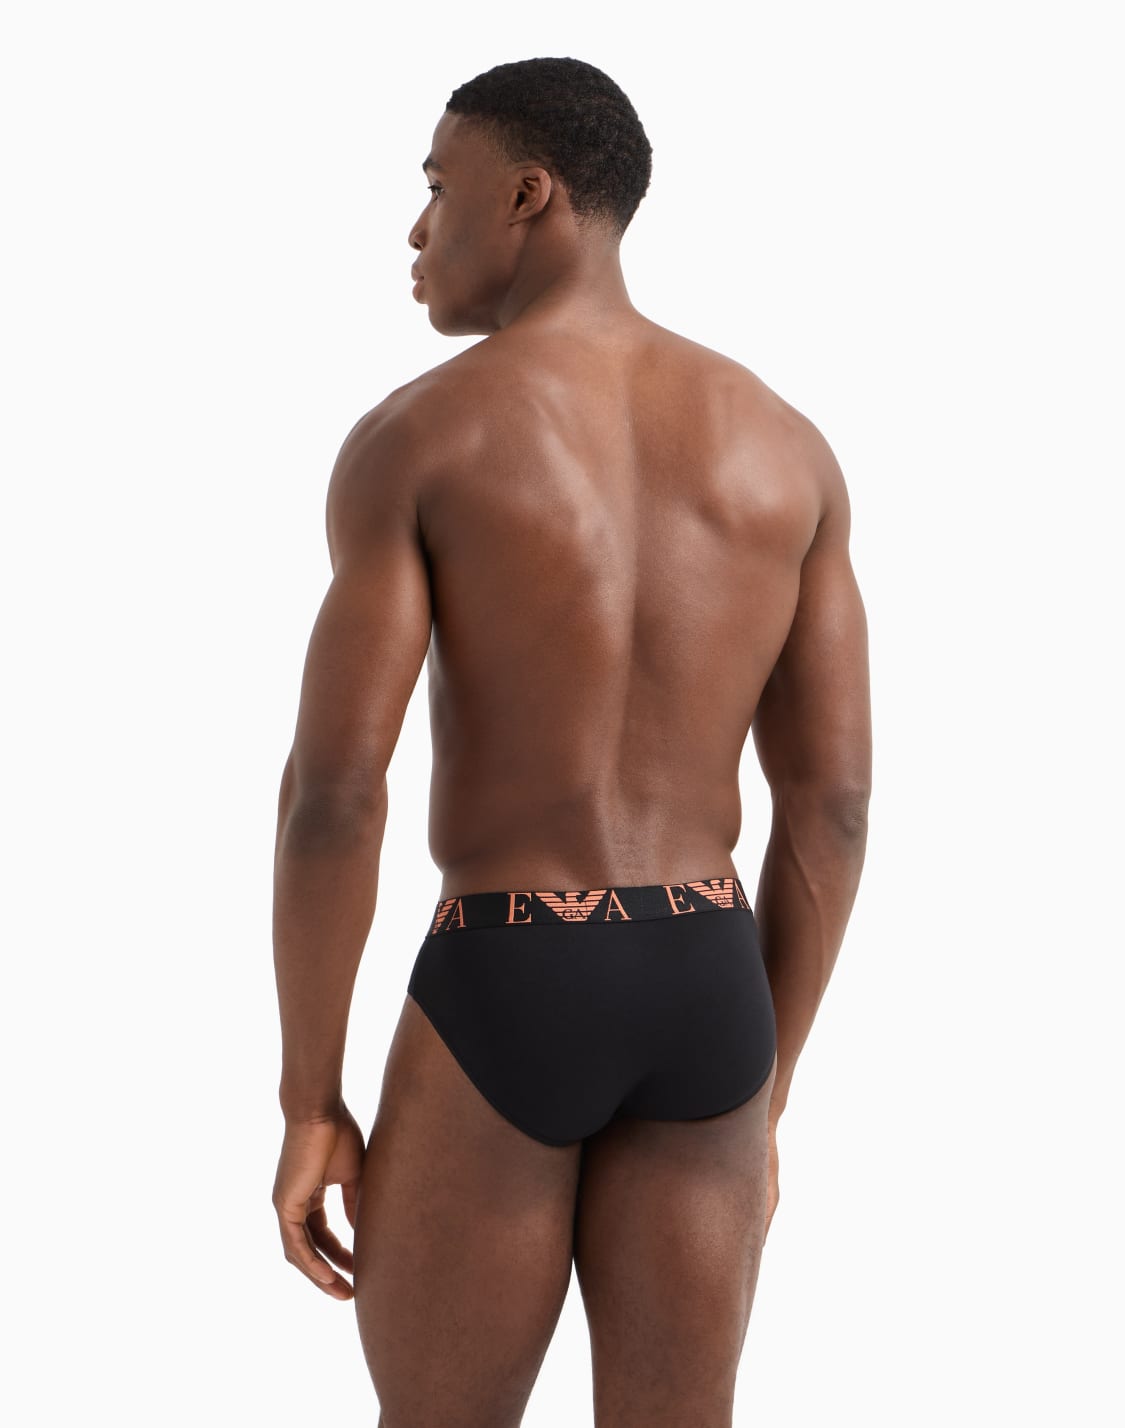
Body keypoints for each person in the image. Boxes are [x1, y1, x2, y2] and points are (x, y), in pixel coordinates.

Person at [271, 55, 871, 1427]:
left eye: (438, 186)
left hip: (511, 969)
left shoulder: (419, 439)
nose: (417, 226)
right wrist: (765, 1087)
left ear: (527, 194)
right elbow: (833, 804)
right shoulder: (786, 448)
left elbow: (334, 796)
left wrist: (310, 1100)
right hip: (710, 974)